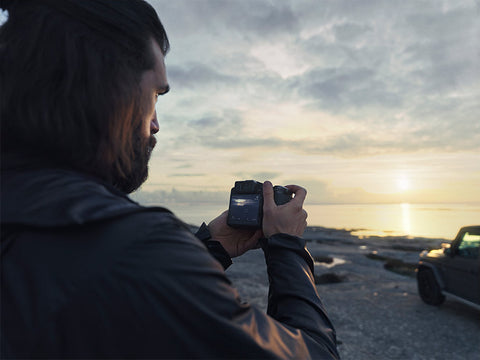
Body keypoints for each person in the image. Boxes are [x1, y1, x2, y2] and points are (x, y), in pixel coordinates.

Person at [0, 1, 339, 359]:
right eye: (155, 95)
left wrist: (212, 246)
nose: (156, 123)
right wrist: (287, 246)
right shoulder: (133, 249)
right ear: (107, 88)